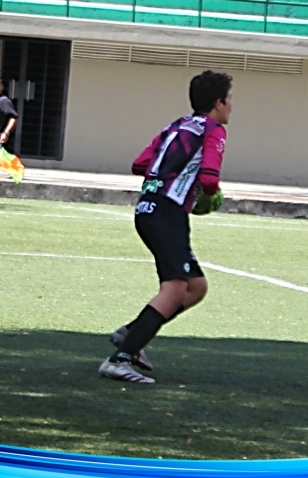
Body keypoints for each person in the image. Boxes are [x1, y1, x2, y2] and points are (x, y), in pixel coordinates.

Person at [99, 70, 233, 384]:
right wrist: (209, 196)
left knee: (196, 286)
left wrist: (174, 174)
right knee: (174, 288)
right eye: (230, 100)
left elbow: (139, 164)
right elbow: (210, 179)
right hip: (168, 212)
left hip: (147, 208)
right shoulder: (214, 130)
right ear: (218, 102)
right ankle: (119, 359)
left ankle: (130, 334)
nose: (231, 106)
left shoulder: (175, 125)